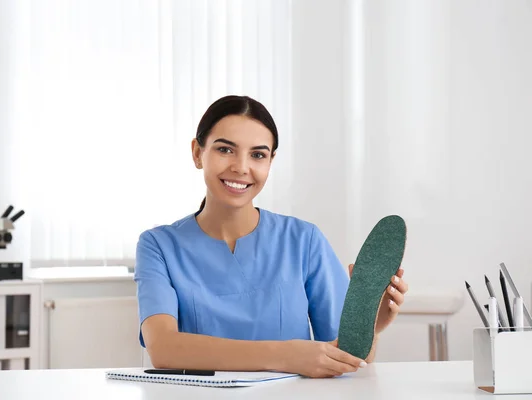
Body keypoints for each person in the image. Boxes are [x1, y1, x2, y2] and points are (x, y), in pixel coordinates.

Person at [134, 95, 409, 379]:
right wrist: (286, 356)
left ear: (271, 161)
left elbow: (346, 356)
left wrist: (369, 327)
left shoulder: (304, 241)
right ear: (196, 153)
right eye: (225, 150)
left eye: (257, 154)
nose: (241, 167)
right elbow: (164, 349)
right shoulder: (158, 247)